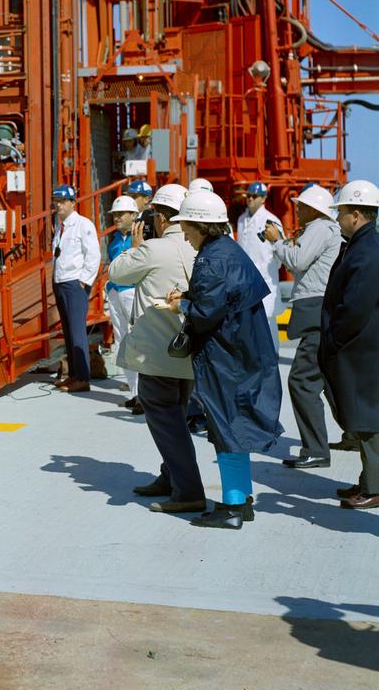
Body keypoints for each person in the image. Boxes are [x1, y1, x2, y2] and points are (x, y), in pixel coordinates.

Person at [166, 189, 282, 529]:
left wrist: (181, 305)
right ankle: (241, 499)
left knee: (224, 427)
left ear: (200, 225)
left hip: (226, 357)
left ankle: (231, 508)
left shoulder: (211, 258)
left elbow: (206, 312)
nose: (183, 233)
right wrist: (189, 295)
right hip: (241, 352)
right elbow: (222, 295)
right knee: (236, 425)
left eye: (186, 226)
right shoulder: (226, 251)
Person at [108, 183, 204, 512]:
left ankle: (188, 490)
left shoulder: (154, 249)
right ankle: (171, 476)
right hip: (187, 349)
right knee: (176, 413)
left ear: (162, 218)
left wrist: (136, 246)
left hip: (158, 353)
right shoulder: (198, 247)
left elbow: (116, 271)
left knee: (165, 419)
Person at [262, 184, 341, 470]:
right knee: (331, 381)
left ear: (314, 209)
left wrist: (277, 240)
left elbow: (297, 260)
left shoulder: (319, 227)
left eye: (300, 204)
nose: (296, 207)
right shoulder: (325, 230)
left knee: (302, 381)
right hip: (324, 308)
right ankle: (356, 435)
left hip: (315, 310)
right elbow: (302, 266)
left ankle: (316, 449)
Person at [317, 180, 379, 509]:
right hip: (359, 347)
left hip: (360, 348)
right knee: (363, 417)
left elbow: (356, 307)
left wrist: (334, 338)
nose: (337, 219)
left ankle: (374, 488)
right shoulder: (359, 245)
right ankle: (370, 479)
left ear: (356, 214)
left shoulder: (367, 251)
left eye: (340, 213)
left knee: (369, 421)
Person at [50, 184, 101, 392]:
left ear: (72, 203)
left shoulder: (83, 224)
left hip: (74, 283)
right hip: (61, 281)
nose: (58, 204)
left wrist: (83, 281)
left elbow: (93, 255)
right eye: (56, 201)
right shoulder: (61, 225)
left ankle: (83, 377)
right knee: (68, 331)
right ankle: (73, 374)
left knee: (77, 330)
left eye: (62, 201)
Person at [235, 181, 283, 349]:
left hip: (266, 278)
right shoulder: (241, 220)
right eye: (248, 195)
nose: (250, 199)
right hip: (246, 280)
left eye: (254, 196)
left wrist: (267, 269)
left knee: (268, 320)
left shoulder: (271, 221)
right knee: (250, 320)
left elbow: (279, 252)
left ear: (263, 199)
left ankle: (272, 354)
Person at [104, 194, 141, 411]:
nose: (116, 218)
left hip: (133, 292)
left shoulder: (141, 237)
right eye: (114, 214)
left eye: (121, 214)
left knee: (137, 343)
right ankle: (135, 393)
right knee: (123, 342)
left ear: (133, 215)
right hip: (117, 293)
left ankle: (144, 396)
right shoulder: (116, 239)